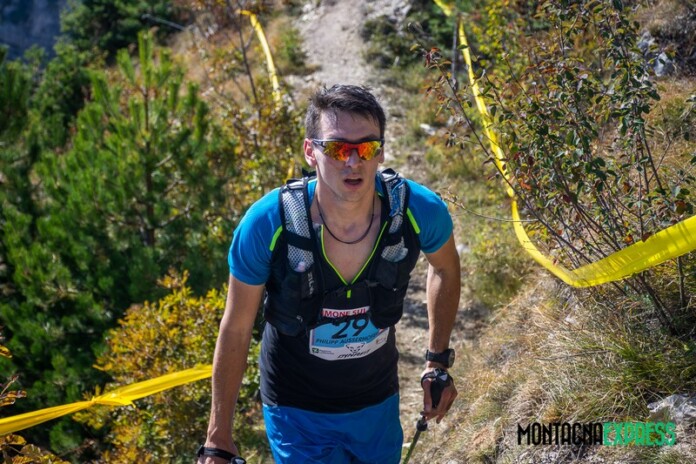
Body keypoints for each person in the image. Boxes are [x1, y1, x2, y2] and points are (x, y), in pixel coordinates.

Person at [197, 84, 460, 464]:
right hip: (295, 409)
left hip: (376, 401)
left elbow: (446, 268)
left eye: (366, 148)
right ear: (310, 151)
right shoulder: (266, 224)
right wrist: (218, 435)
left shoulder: (419, 210)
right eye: (337, 148)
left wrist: (437, 362)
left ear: (381, 152)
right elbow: (236, 327)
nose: (353, 161)